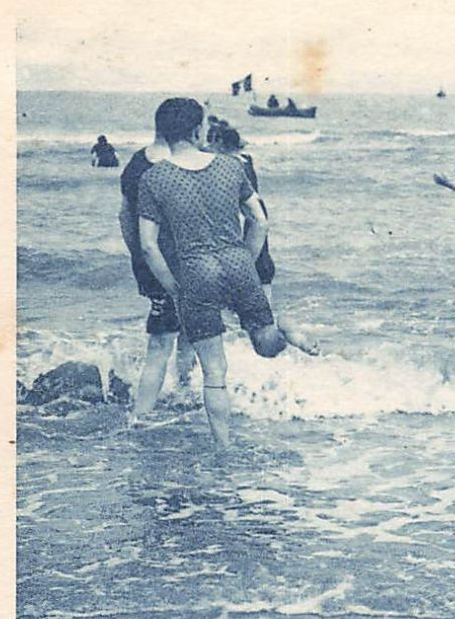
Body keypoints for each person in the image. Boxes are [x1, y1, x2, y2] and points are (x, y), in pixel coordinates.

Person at [135, 97, 318, 449]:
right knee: (265, 345)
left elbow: (147, 246)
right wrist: (246, 261)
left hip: (195, 272)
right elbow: (259, 220)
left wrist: (173, 286)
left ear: (164, 133)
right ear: (198, 130)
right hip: (238, 263)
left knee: (214, 372)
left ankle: (224, 448)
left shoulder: (154, 178)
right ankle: (284, 329)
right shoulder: (231, 167)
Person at [118, 121, 194, 417]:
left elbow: (124, 217)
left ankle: (175, 397)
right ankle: (142, 414)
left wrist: (140, 257)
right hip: (183, 265)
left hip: (151, 265)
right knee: (175, 339)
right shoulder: (180, 166)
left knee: (168, 337)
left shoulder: (136, 164)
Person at [207, 125, 276, 300]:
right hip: (255, 215)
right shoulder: (245, 160)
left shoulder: (231, 167)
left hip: (243, 220)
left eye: (211, 142)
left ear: (219, 142)